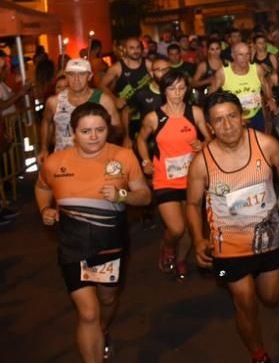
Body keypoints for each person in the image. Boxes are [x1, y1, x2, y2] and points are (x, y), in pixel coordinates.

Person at [35, 102, 151, 363]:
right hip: (72, 245)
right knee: (88, 312)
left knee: (107, 301)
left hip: (110, 242)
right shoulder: (56, 162)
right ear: (73, 132)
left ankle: (104, 328)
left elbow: (144, 196)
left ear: (107, 129)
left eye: (99, 129)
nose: (94, 136)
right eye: (86, 131)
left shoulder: (123, 156)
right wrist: (45, 209)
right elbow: (42, 188)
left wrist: (122, 195)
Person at [185, 92, 279, 363]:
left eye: (232, 116)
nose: (227, 125)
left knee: (271, 297)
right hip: (227, 244)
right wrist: (198, 239)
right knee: (246, 302)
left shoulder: (266, 145)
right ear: (209, 127)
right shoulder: (202, 163)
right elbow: (192, 204)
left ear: (243, 117)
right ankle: (258, 354)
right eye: (219, 120)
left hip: (268, 238)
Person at [135, 70, 210, 280]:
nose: (177, 93)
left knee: (190, 228)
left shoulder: (194, 113)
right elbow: (140, 140)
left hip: (192, 179)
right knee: (176, 228)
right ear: (164, 90)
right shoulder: (154, 117)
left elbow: (212, 138)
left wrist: (204, 144)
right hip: (164, 180)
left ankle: (181, 260)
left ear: (187, 90)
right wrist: (145, 161)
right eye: (172, 88)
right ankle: (168, 247)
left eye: (181, 88)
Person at [39, 59, 123, 162]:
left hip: (95, 160)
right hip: (63, 160)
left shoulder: (103, 100)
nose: (76, 79)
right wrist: (44, 148)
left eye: (82, 74)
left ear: (90, 76)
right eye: (71, 74)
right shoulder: (54, 102)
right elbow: (46, 122)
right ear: (66, 76)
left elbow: (117, 130)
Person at [211, 42, 278, 133]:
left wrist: (271, 99)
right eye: (240, 55)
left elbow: (265, 86)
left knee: (258, 143)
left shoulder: (257, 69)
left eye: (247, 54)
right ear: (233, 55)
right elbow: (211, 96)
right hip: (234, 119)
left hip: (256, 115)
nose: (245, 58)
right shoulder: (223, 73)